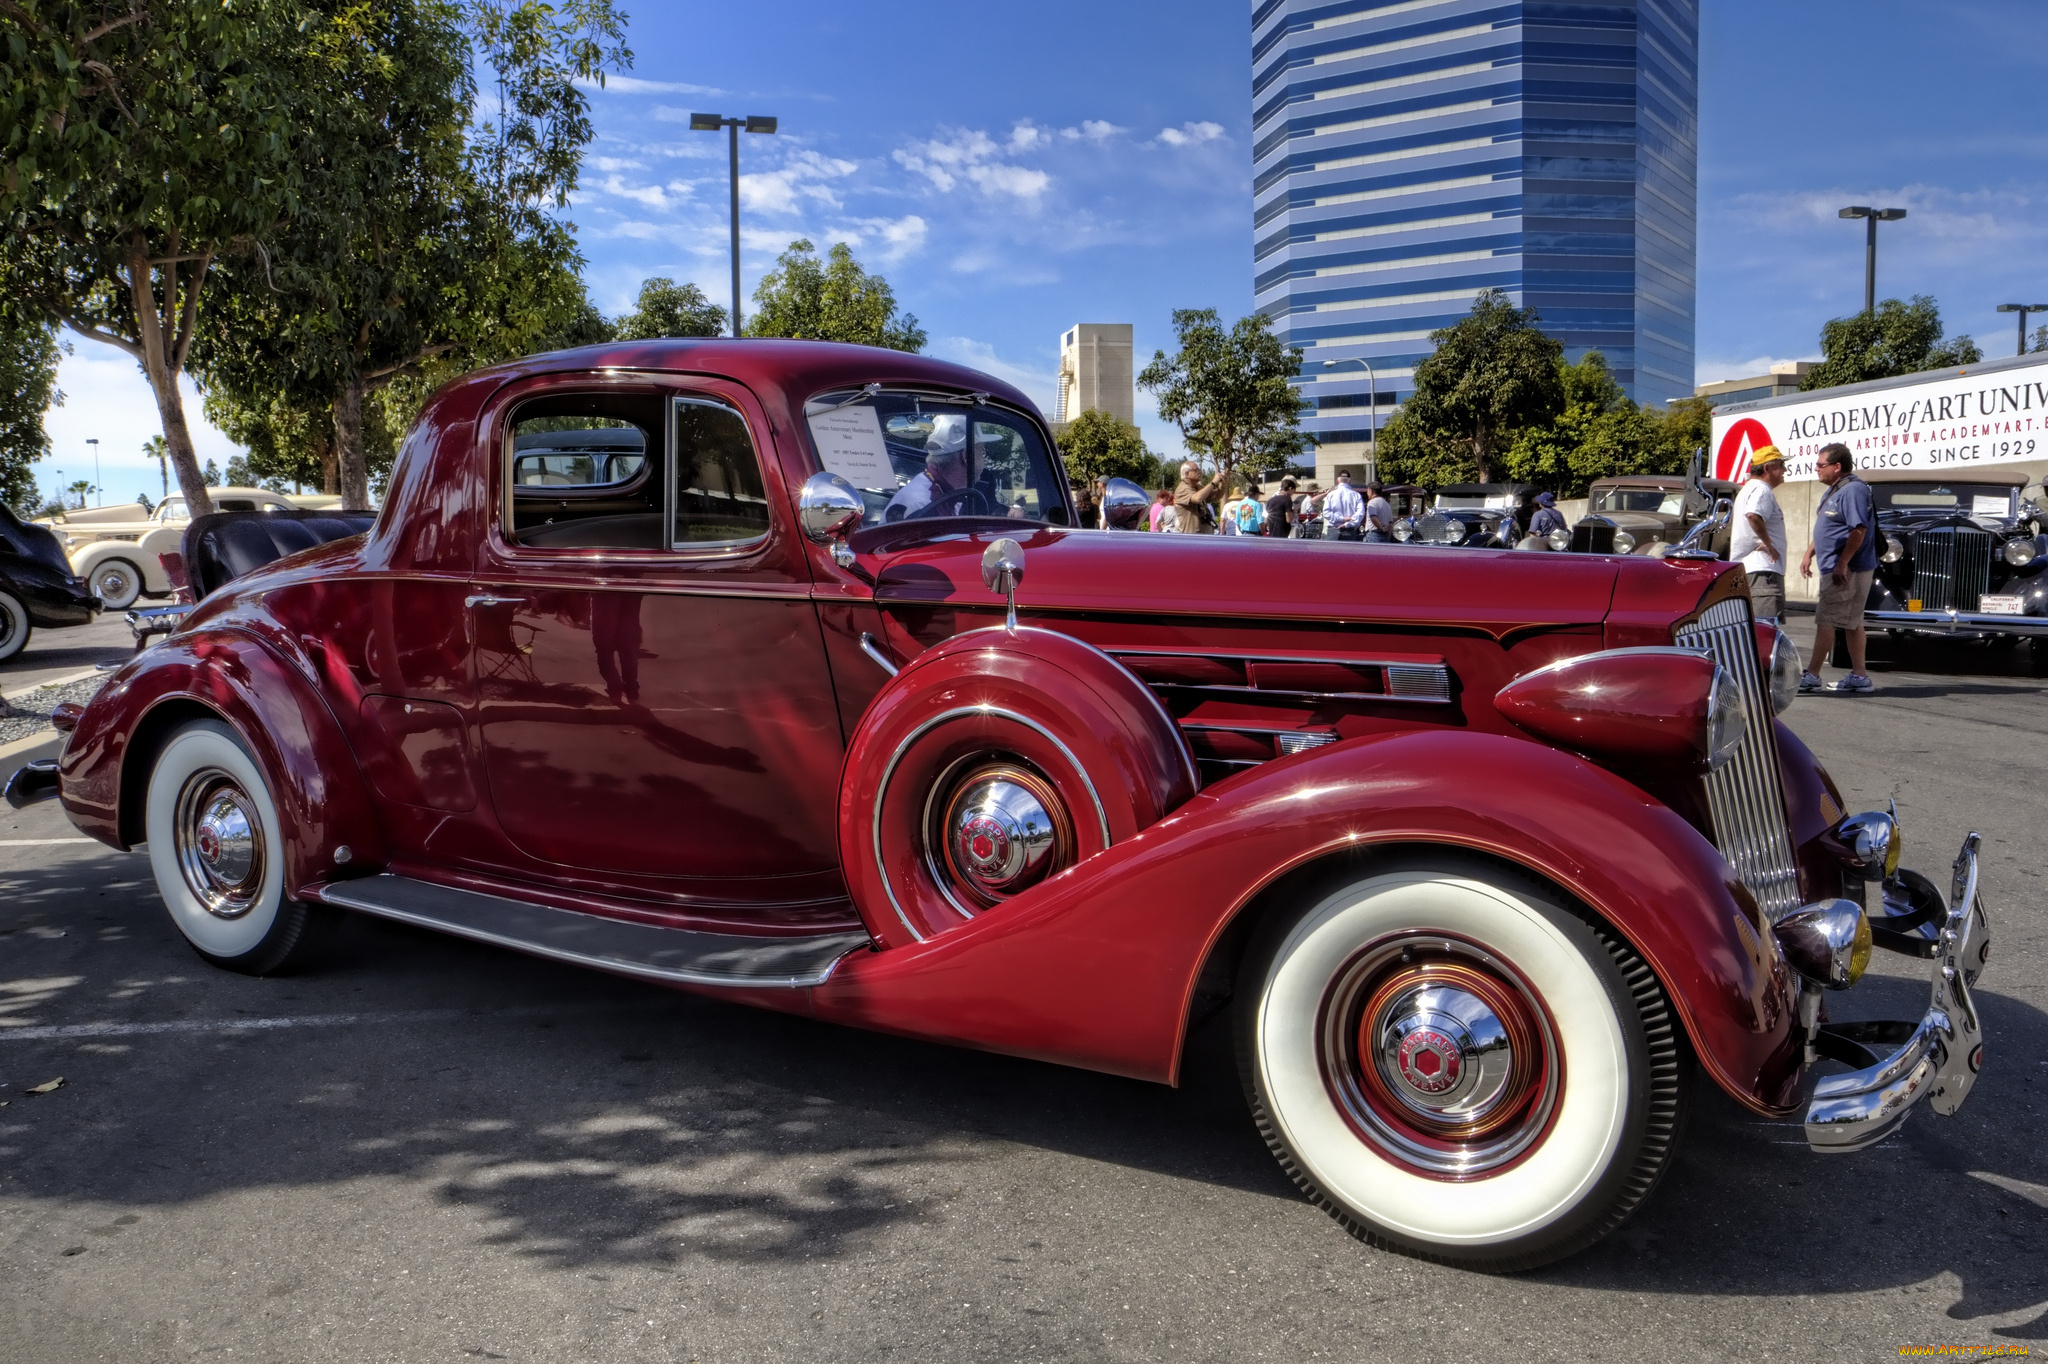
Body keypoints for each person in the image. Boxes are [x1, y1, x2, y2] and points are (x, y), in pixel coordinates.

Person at [1799, 442, 1878, 694]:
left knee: (1827, 619)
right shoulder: (1835, 490)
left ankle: (1812, 675)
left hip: (1847, 569)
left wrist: (1842, 563)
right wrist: (1808, 554)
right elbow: (1829, 526)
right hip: (1839, 566)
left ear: (1837, 466)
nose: (1817, 469)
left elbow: (1858, 530)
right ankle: (1859, 676)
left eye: (1821, 465)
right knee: (1852, 622)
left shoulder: (1853, 490)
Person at [884, 414, 982, 521]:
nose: (984, 460)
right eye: (982, 452)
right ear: (966, 456)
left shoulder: (942, 493)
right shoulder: (924, 506)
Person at [1731, 446, 1788, 624]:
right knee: (1766, 631)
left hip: (1749, 570)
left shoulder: (1748, 489)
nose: (1784, 470)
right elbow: (1753, 515)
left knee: (1751, 631)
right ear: (1768, 468)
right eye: (1781, 465)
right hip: (1763, 571)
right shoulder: (1761, 489)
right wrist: (1770, 546)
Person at [1172, 461, 1227, 534]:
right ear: (1187, 474)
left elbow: (1216, 496)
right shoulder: (1182, 489)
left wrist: (1223, 482)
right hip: (1192, 538)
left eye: (1199, 469)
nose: (1200, 472)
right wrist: (1213, 482)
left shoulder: (1198, 487)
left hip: (1204, 536)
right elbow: (1197, 498)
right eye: (1196, 470)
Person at [1323, 469, 1365, 541]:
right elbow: (1360, 513)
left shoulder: (1330, 495)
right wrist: (1346, 523)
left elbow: (1326, 513)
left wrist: (1341, 518)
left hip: (1333, 530)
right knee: (1349, 552)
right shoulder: (1356, 495)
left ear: (1337, 480)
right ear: (1350, 481)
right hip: (1349, 531)